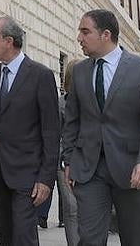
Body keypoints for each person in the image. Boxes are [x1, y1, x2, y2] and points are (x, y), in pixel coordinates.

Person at [62, 9, 140, 246]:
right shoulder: (79, 71)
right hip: (90, 170)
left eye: (85, 31)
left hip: (132, 170)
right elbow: (72, 120)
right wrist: (69, 160)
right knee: (88, 238)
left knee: (134, 239)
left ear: (106, 34)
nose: (79, 38)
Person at [0, 16, 61, 246]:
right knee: (6, 237)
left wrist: (46, 179)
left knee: (24, 238)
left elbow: (51, 131)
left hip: (27, 175)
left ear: (9, 41)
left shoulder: (41, 75)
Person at [56, 59, 81, 246]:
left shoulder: (95, 101)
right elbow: (55, 134)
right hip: (64, 162)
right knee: (71, 208)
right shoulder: (60, 103)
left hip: (90, 162)